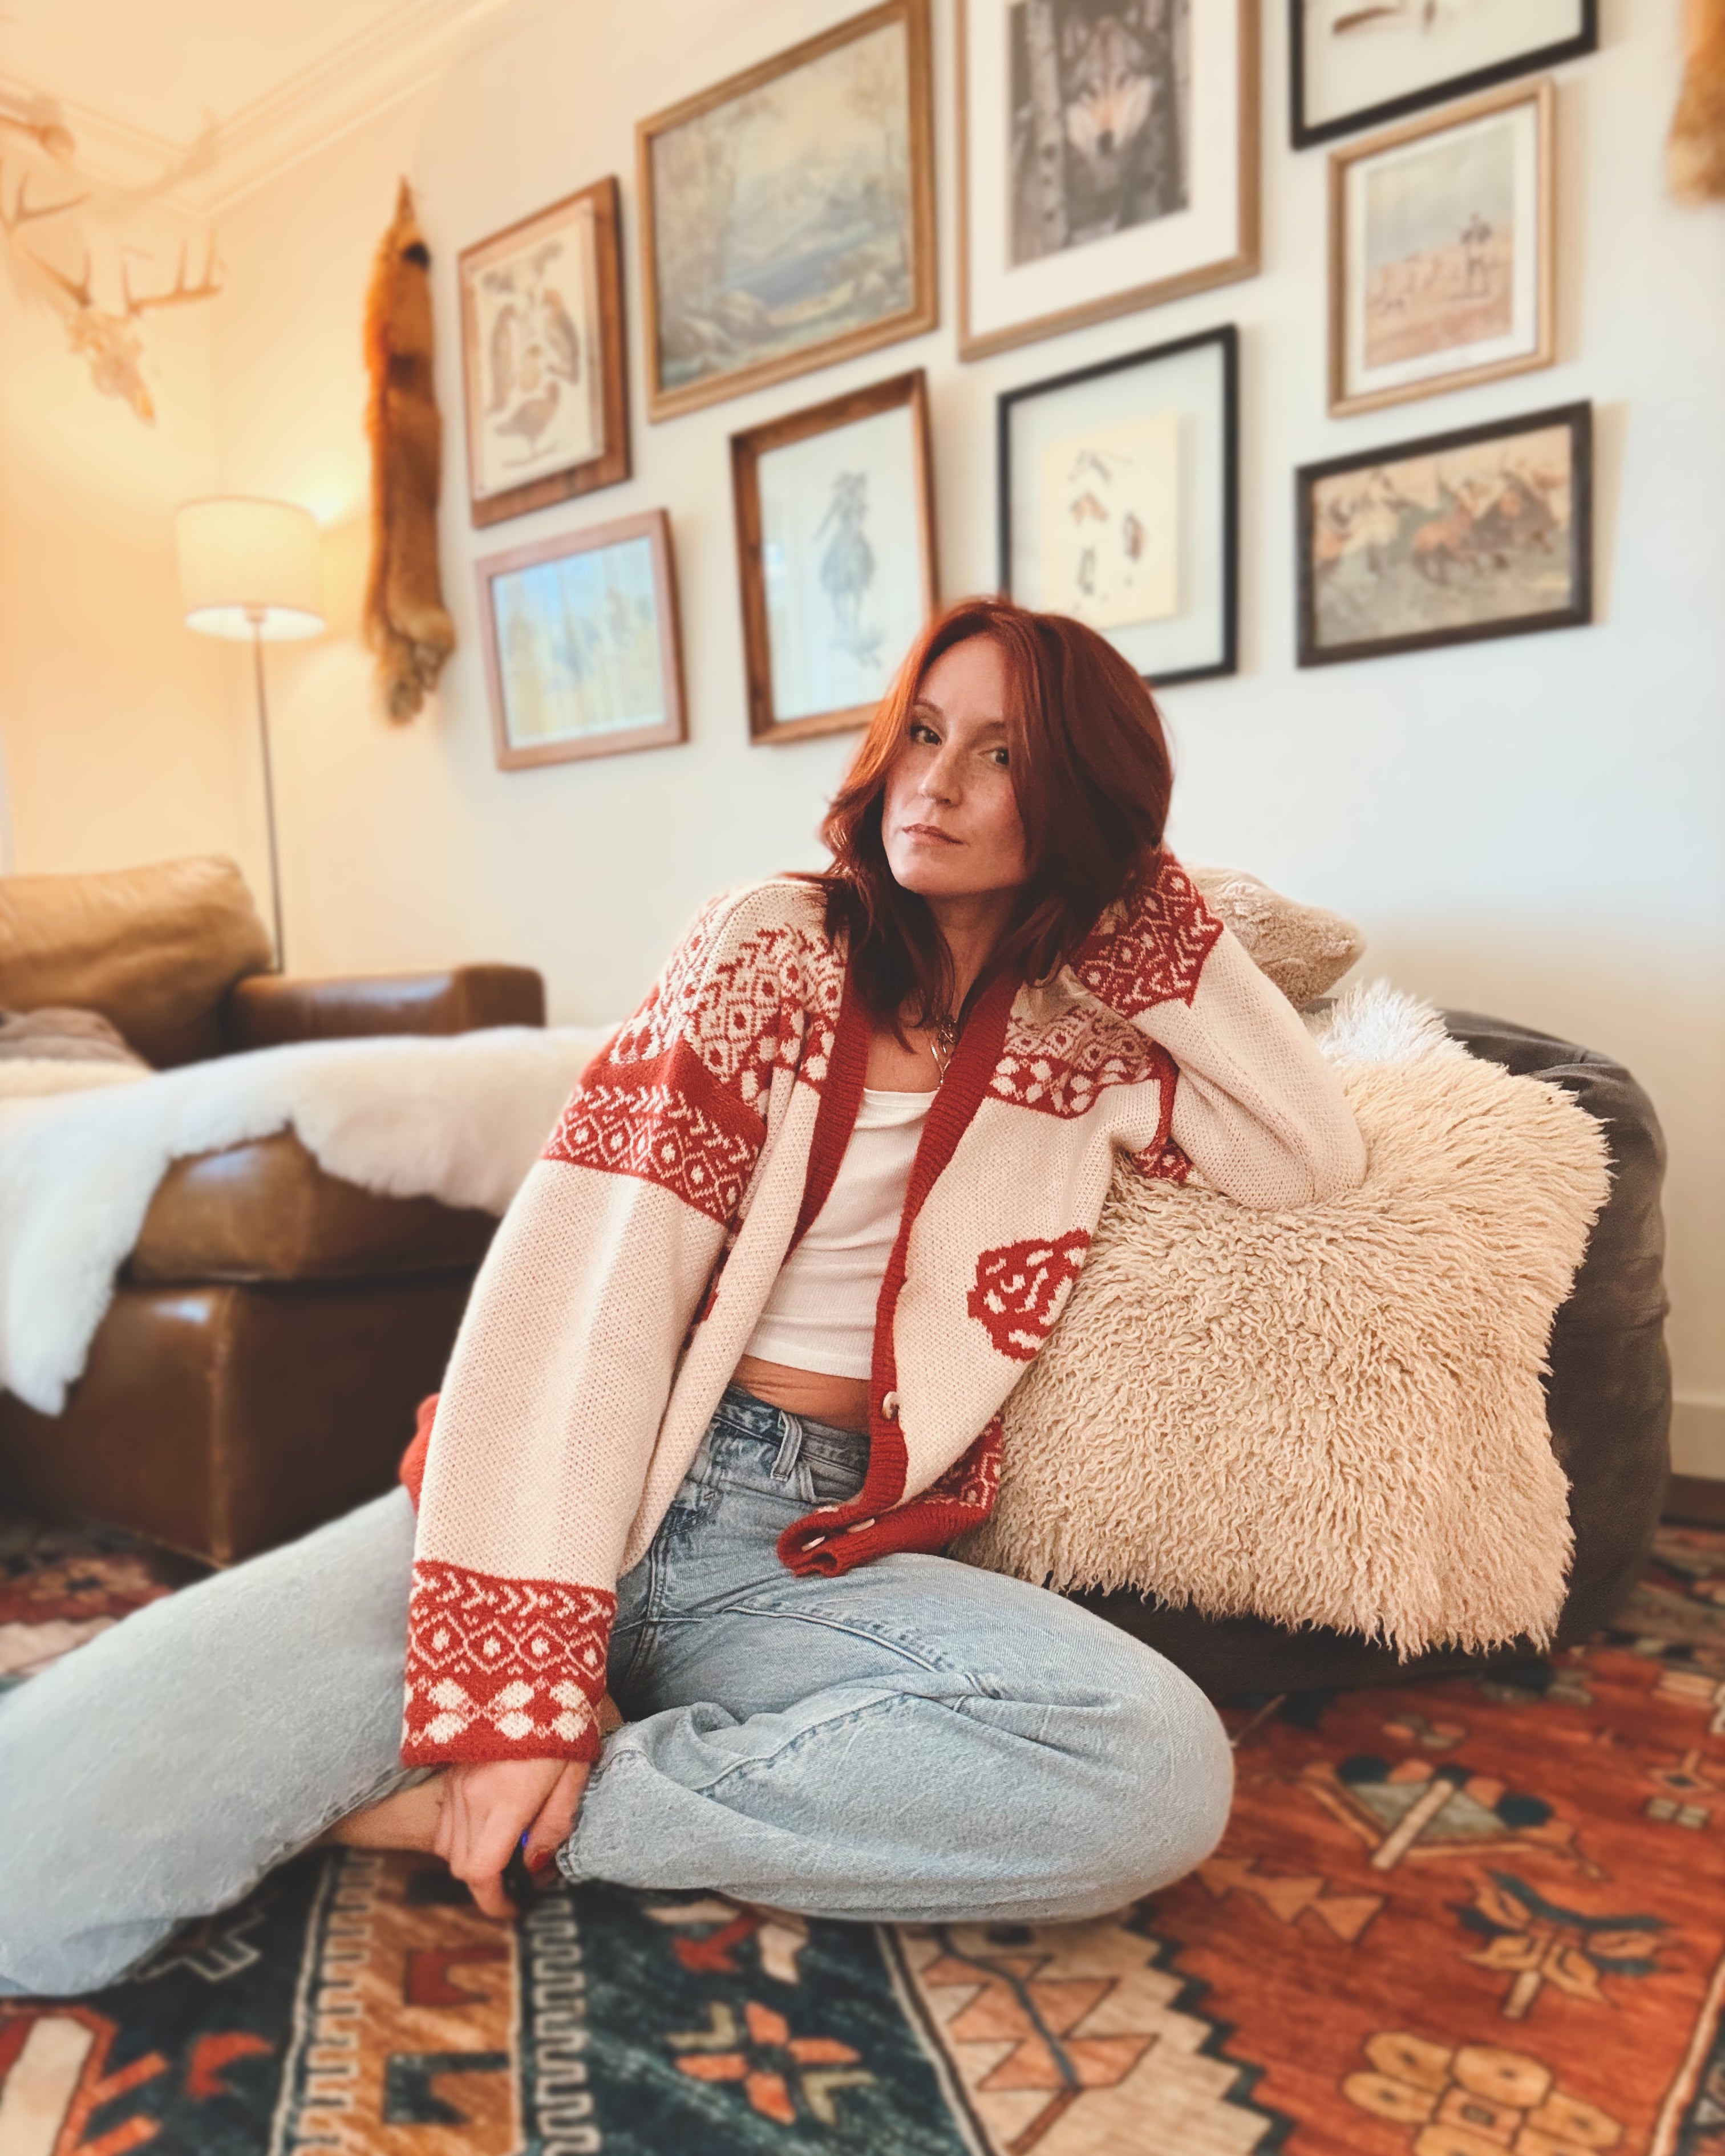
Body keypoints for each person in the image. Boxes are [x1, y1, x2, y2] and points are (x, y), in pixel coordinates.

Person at [0, 598, 1366, 1997]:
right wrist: (521, 1681)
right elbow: (579, 1301)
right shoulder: (770, 949)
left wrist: (1150, 923)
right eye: (921, 733)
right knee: (24, 1878)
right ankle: (502, 1760)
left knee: (1154, 1770)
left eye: (1005, 755)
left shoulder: (1087, 1037)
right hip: (570, 1482)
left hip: (805, 1554)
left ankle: (509, 1816)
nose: (939, 782)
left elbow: (1304, 1156)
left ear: (1082, 794)